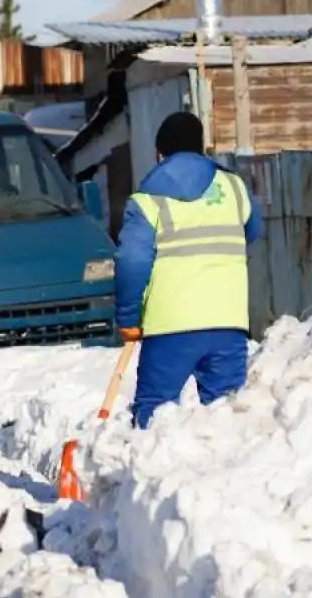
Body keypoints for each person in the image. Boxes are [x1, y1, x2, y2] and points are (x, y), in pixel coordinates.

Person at [113, 110, 264, 429]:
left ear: (160, 153)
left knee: (154, 418)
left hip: (170, 326)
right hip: (229, 321)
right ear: (201, 148)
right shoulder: (235, 188)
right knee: (229, 417)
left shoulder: (146, 200)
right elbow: (251, 231)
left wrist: (129, 318)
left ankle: (149, 476)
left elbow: (132, 261)